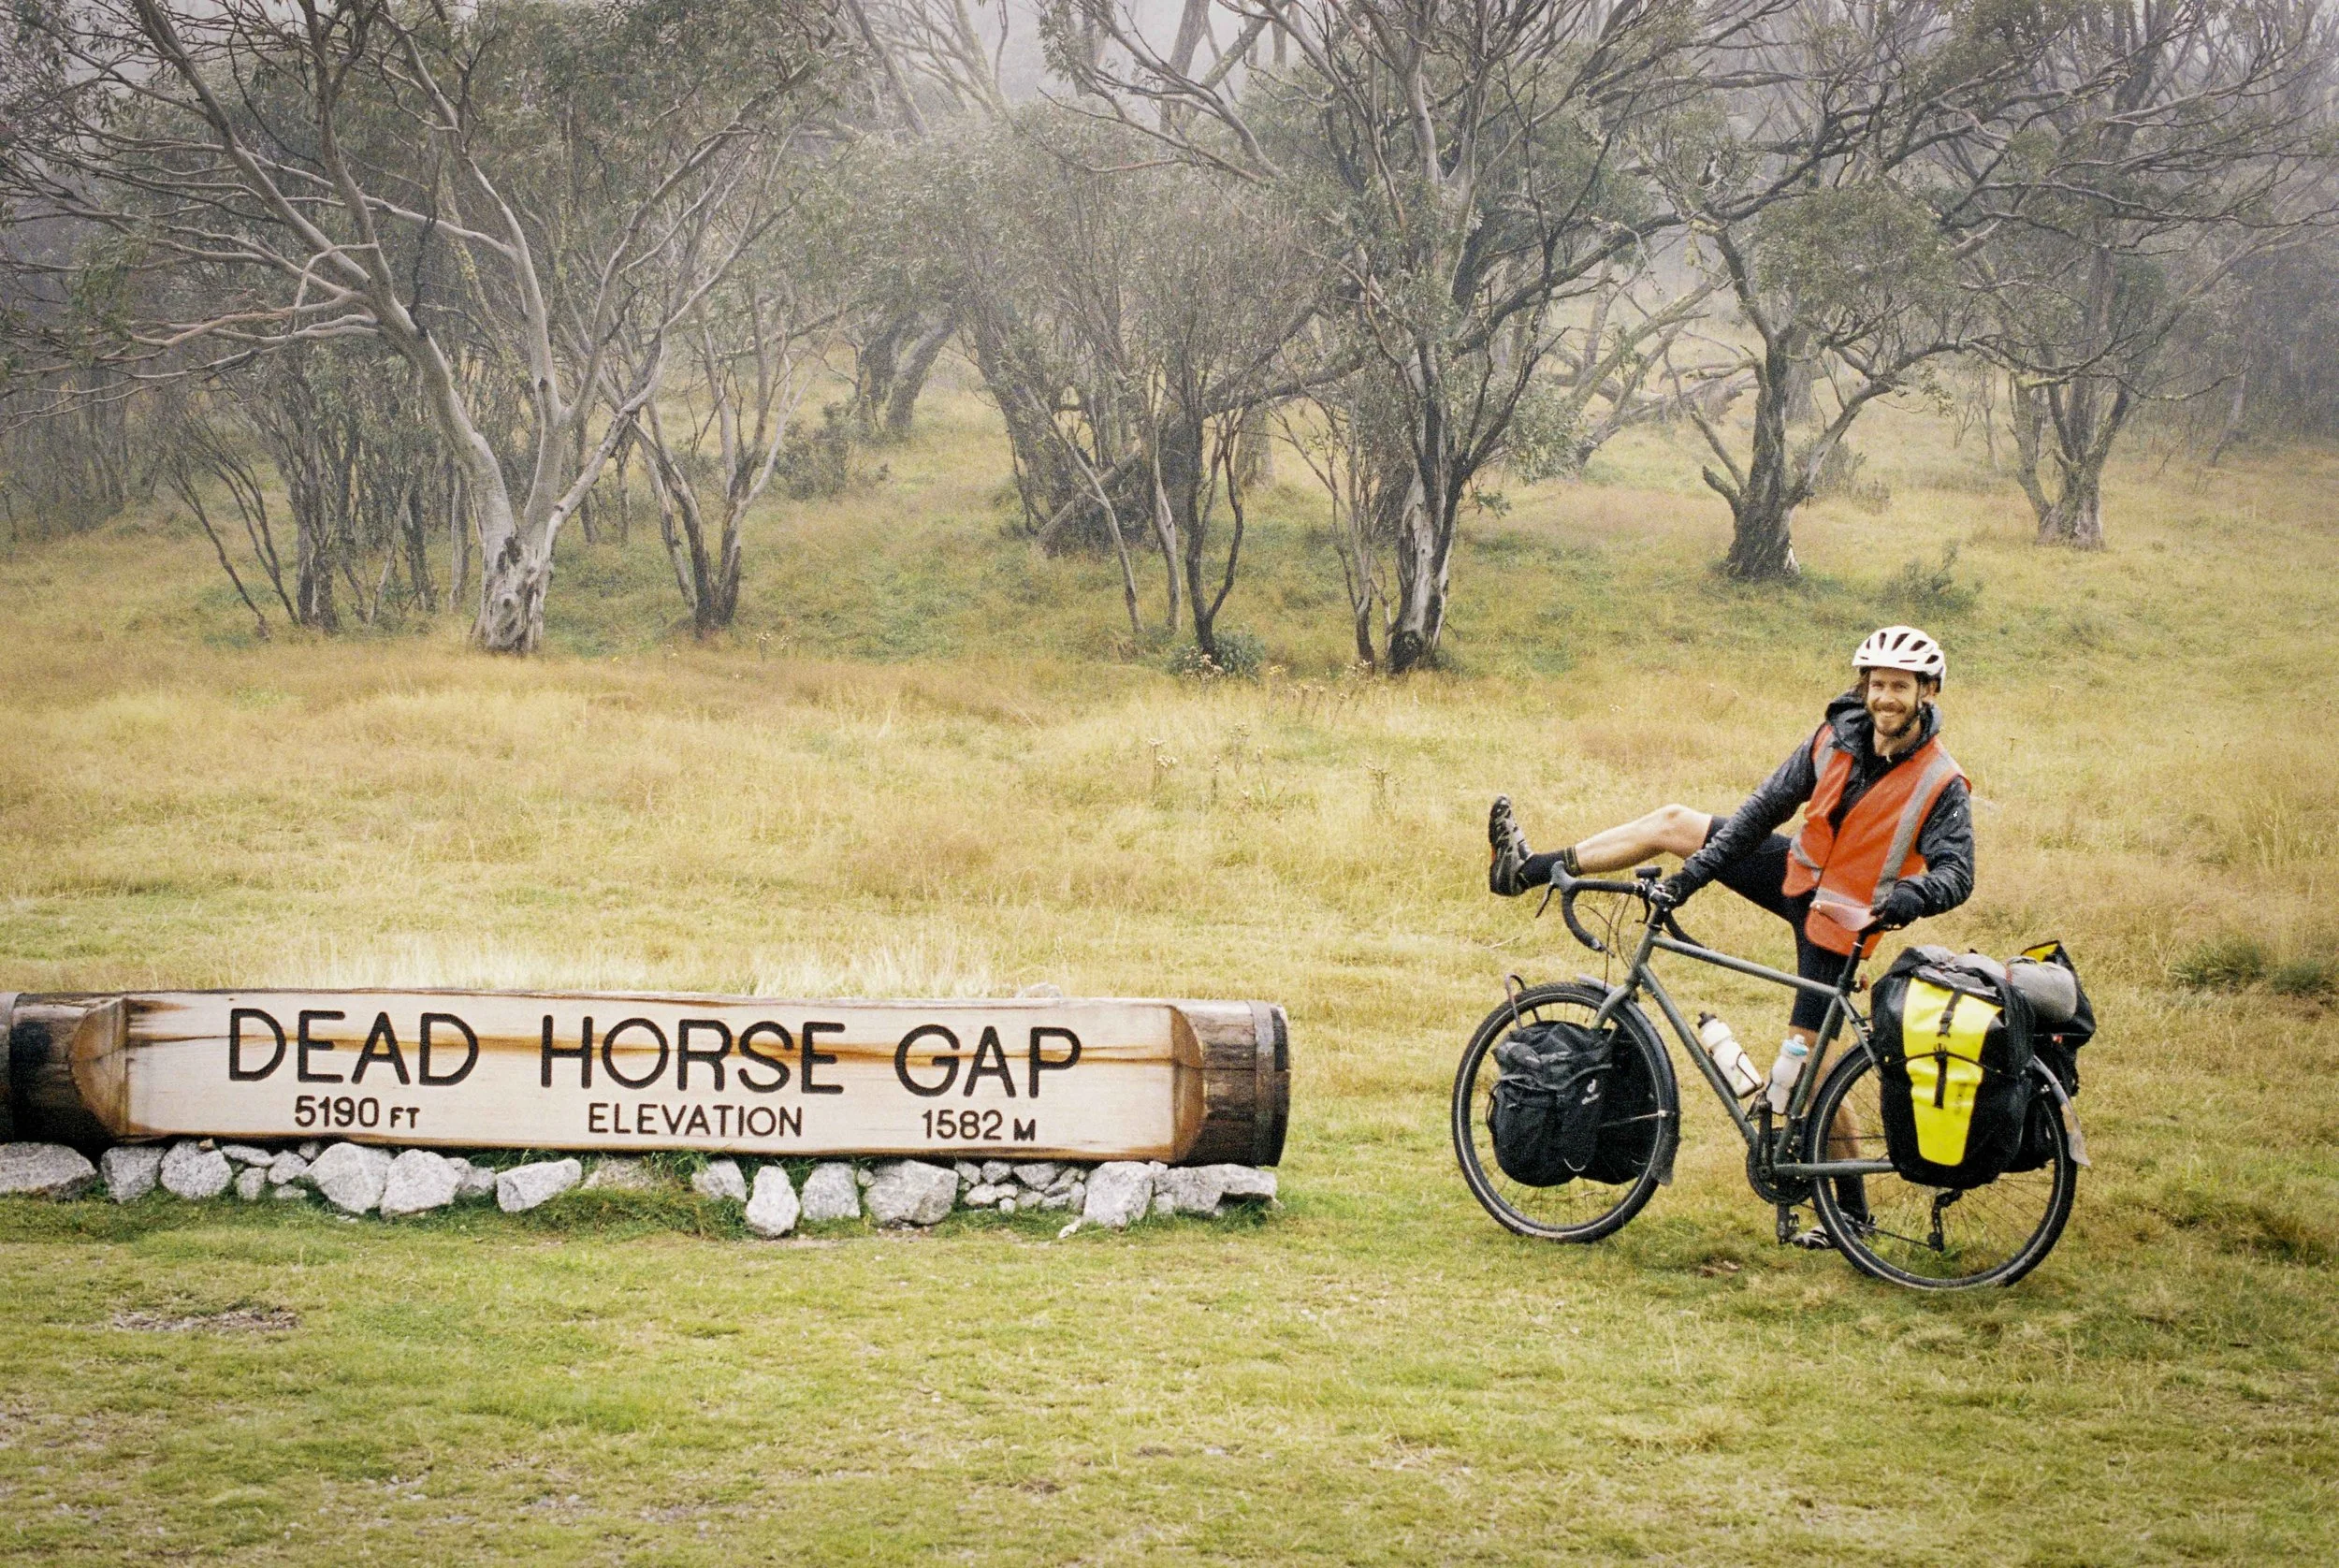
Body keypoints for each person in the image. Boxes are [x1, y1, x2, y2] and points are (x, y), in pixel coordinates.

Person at [1486, 625, 1974, 1241]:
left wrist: (1911, 896)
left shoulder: (1941, 781)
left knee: (1814, 1071)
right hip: (1797, 875)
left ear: (1927, 691)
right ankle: (1525, 870)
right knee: (1674, 821)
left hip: (1846, 921)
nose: (1885, 698)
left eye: (1900, 687)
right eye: (1877, 685)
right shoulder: (1836, 735)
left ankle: (1851, 1218)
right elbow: (1760, 813)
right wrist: (1690, 880)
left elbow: (1959, 872)